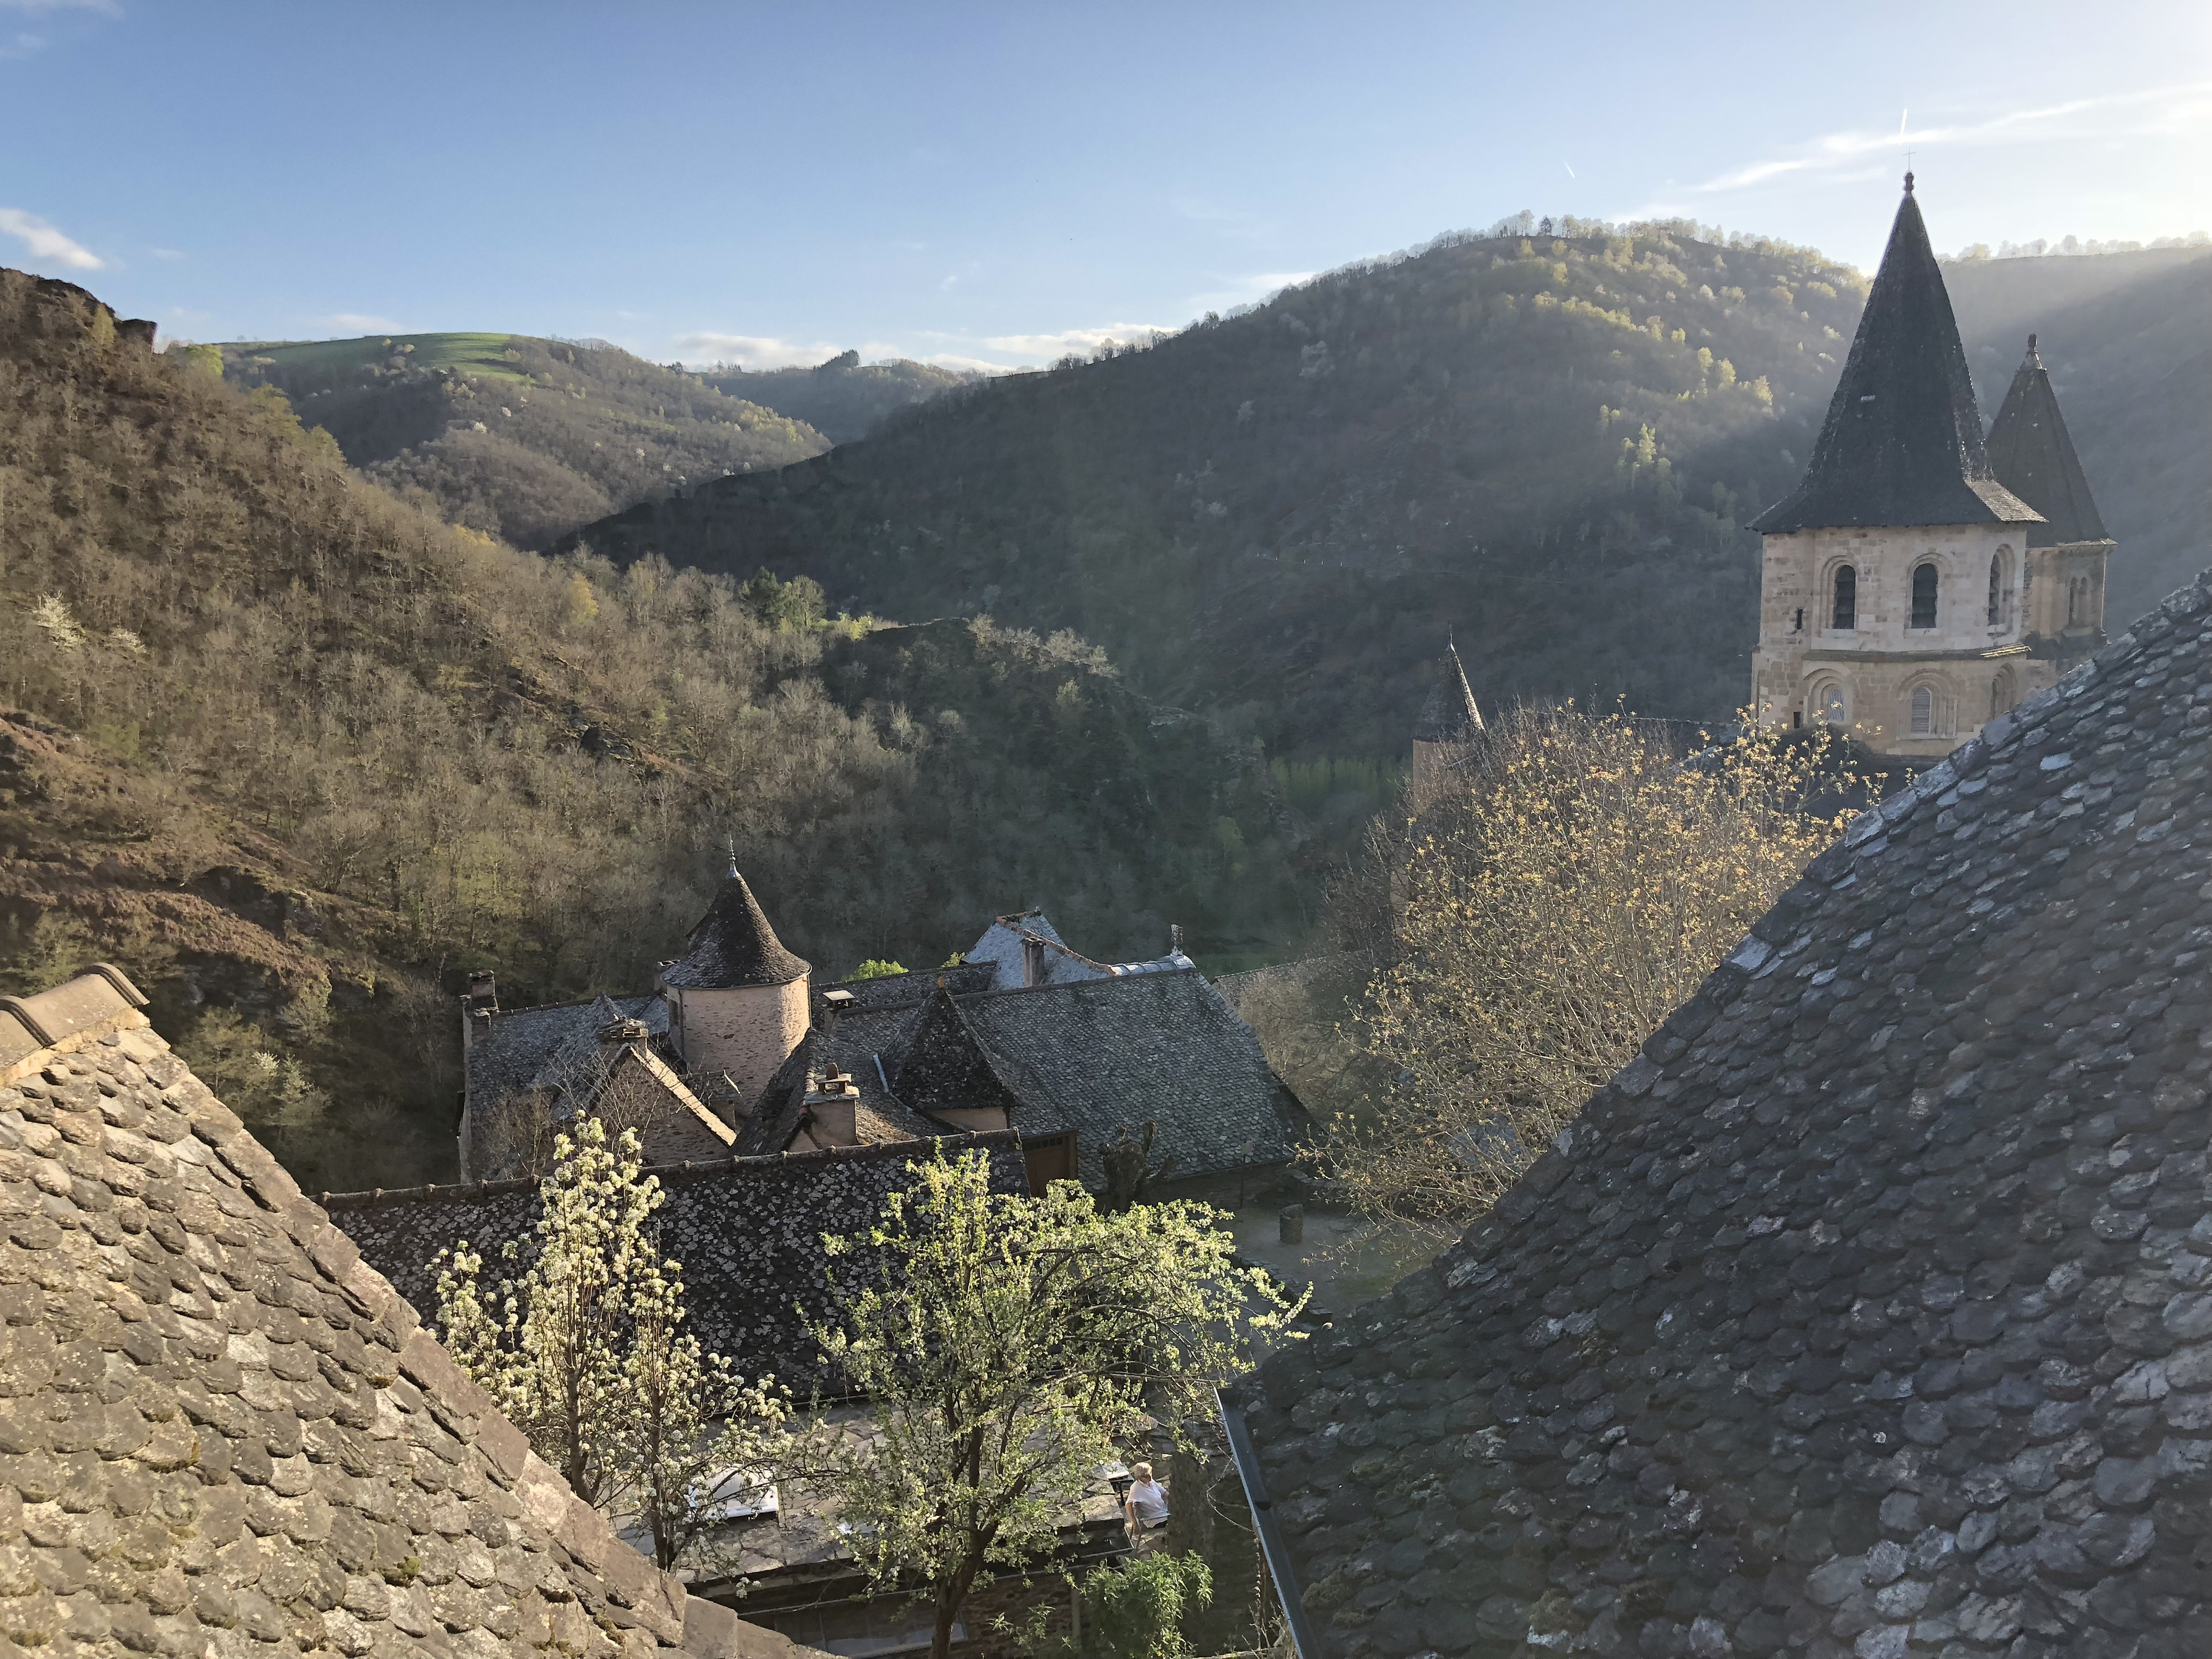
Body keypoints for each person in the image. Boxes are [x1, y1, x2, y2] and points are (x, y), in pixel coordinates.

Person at [1124, 1462, 1168, 1532]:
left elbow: (1163, 1492)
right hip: (1155, 1519)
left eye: (1151, 1473)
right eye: (1147, 1475)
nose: (1151, 1477)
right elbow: (1128, 1505)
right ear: (1141, 1477)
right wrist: (1135, 1523)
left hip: (1163, 1511)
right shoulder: (1136, 1488)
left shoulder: (1151, 1482)